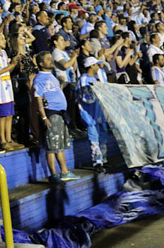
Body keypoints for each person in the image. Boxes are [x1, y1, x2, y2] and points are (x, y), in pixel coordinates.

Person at [32, 52, 79, 183]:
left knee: (59, 146)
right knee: (52, 147)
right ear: (41, 63)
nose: (51, 61)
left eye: (51, 58)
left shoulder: (51, 76)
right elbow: (38, 98)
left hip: (60, 113)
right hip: (51, 114)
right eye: (48, 59)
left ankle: (64, 171)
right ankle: (54, 174)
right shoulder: (40, 78)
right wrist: (44, 117)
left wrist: (62, 84)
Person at [76, 56, 109, 173]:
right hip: (90, 115)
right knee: (94, 140)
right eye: (96, 65)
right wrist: (95, 91)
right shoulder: (83, 80)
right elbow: (87, 98)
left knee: (103, 137)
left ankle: (104, 159)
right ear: (91, 66)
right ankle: (97, 162)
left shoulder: (94, 79)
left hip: (99, 113)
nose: (98, 67)